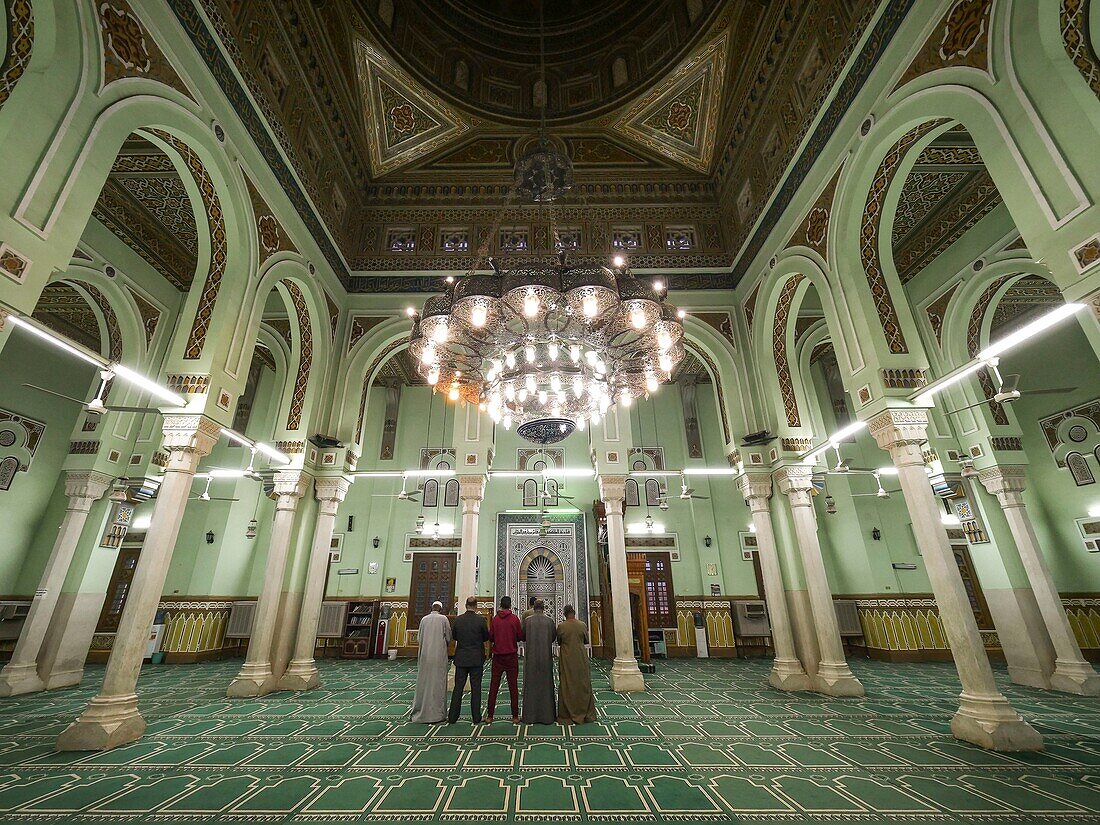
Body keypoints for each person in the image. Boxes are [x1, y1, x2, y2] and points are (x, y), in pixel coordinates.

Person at [448, 596, 489, 724]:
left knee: (458, 688)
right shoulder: (481, 620)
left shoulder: (458, 620)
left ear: (466, 605)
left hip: (461, 658)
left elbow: (454, 636)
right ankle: (476, 717)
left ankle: (453, 717)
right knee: (476, 688)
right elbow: (485, 637)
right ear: (476, 606)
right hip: (476, 658)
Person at [410, 601, 451, 723]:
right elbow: (448, 637)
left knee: (424, 683)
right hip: (438, 657)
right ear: (441, 609)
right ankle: (437, 714)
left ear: (431, 608)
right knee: (438, 684)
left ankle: (420, 712)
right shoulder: (443, 619)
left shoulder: (424, 620)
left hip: (425, 656)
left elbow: (419, 638)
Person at [556, 604, 596, 725]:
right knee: (582, 682)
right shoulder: (582, 625)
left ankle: (568, 714)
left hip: (567, 658)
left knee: (567, 683)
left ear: (564, 614)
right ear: (574, 613)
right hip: (580, 657)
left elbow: (559, 641)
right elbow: (586, 641)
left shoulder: (561, 626)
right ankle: (585, 714)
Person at [486, 595, 523, 724]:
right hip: (511, 657)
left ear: (501, 605)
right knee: (513, 687)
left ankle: (490, 716)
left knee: (494, 686)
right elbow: (520, 636)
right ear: (510, 605)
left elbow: (491, 637)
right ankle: (515, 716)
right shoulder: (514, 619)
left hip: (498, 657)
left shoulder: (495, 619)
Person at [520, 599, 556, 724]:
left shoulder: (527, 621)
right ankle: (548, 717)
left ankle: (530, 717)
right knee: (546, 686)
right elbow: (552, 638)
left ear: (533, 608)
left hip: (531, 659)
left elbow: (522, 636)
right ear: (544, 608)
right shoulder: (549, 621)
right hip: (546, 658)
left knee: (531, 686)